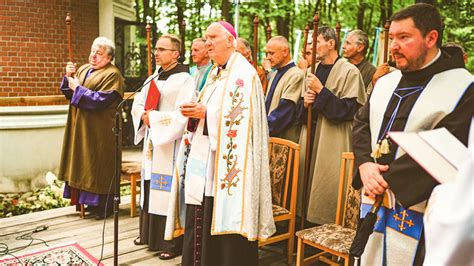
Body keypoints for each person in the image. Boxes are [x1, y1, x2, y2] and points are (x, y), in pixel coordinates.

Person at [352, 3, 473, 265]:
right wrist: (364, 164)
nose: (393, 45)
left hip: (423, 205)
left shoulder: (464, 89)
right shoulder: (385, 82)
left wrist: (384, 177)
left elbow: (454, 145)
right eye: (392, 37)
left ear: (431, 38)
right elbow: (361, 124)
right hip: (373, 194)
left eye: (404, 37)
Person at [166, 21, 275, 266]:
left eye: (213, 37)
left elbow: (242, 120)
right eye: (205, 38)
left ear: (230, 40)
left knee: (227, 222)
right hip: (206, 160)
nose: (207, 43)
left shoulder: (243, 74)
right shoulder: (217, 72)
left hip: (226, 167)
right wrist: (195, 113)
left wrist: (206, 113)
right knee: (203, 215)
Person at [131, 34, 195, 260]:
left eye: (162, 49)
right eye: (156, 49)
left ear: (175, 53)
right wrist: (143, 115)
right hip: (152, 142)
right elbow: (138, 103)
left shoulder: (185, 80)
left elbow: (183, 114)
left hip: (171, 145)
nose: (156, 52)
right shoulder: (152, 77)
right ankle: (150, 234)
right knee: (150, 186)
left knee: (168, 191)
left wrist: (155, 118)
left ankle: (170, 241)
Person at [296, 26, 366, 225]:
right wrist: (307, 103)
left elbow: (349, 111)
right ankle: (303, 230)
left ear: (331, 43)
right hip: (310, 134)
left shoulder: (349, 72)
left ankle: (324, 231)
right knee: (305, 186)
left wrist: (321, 90)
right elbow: (300, 113)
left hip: (332, 140)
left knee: (327, 190)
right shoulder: (311, 70)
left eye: (316, 42)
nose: (312, 47)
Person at [58, 36, 124, 220]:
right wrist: (69, 77)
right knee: (81, 161)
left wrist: (78, 87)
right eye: (92, 52)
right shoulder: (84, 69)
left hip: (99, 130)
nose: (93, 56)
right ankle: (84, 201)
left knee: (98, 164)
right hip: (80, 126)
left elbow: (100, 101)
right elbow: (70, 95)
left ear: (109, 58)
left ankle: (103, 206)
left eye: (99, 54)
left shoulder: (113, 75)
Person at [264, 36, 304, 142]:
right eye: (267, 53)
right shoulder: (275, 74)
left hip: (284, 141)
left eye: (272, 53)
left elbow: (285, 111)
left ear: (285, 52)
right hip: (270, 138)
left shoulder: (296, 75)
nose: (268, 57)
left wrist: (263, 129)